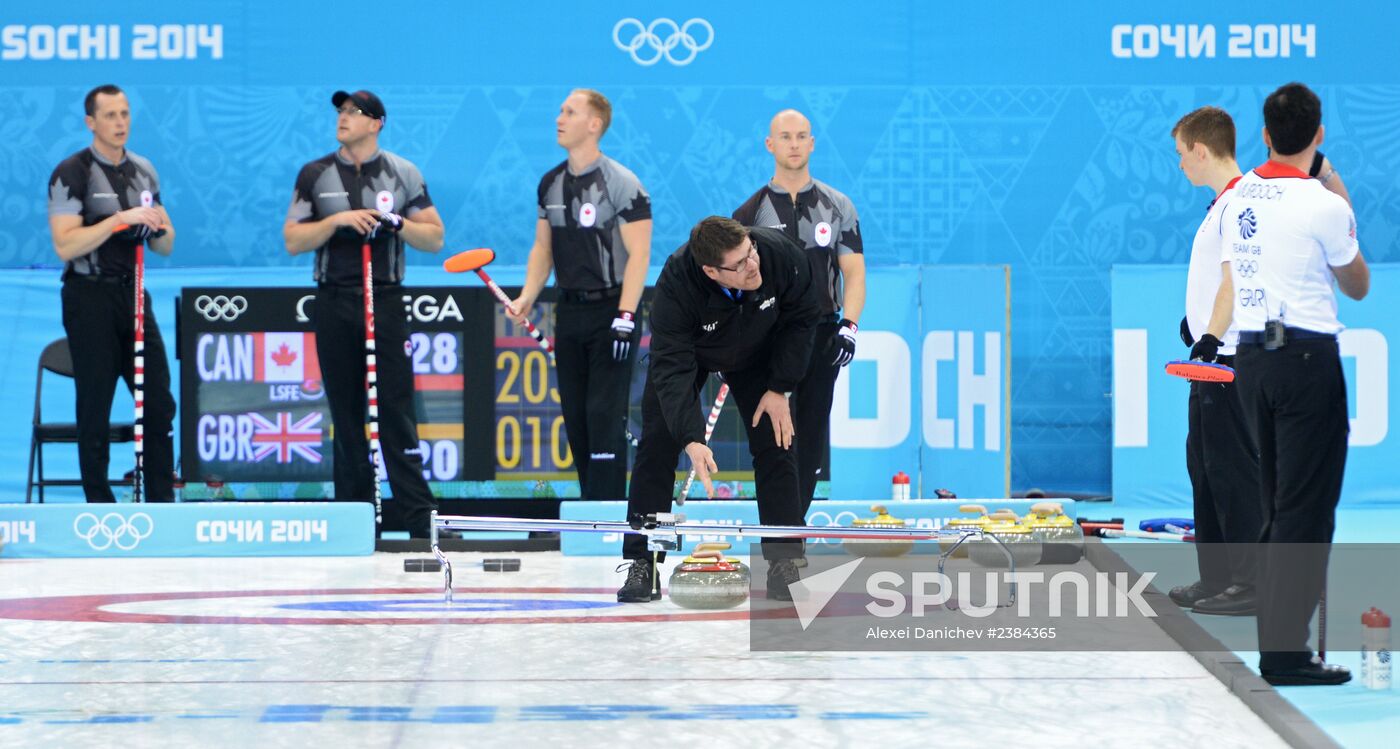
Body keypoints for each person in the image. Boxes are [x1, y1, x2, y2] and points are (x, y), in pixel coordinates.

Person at [1220, 82, 1369, 686]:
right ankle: (1285, 655)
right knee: (1305, 510)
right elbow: (1357, 284)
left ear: (1263, 133)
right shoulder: (1324, 204)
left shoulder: (1239, 196)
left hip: (1253, 360)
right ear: (1320, 135)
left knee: (1277, 503)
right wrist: (1335, 185)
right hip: (1306, 361)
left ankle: (1277, 643)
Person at [616, 217, 822, 603]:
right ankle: (643, 561)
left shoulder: (778, 255)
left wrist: (780, 387)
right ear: (711, 271)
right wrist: (692, 440)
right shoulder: (677, 286)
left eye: (751, 253)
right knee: (658, 444)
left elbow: (803, 317)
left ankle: (782, 562)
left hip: (757, 351)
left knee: (776, 440)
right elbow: (672, 370)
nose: (752, 265)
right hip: (692, 354)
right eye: (739, 264)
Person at [283, 90, 445, 537]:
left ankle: (418, 518)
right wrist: (337, 221)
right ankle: (353, 520)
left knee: (395, 408)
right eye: (340, 111)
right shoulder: (315, 173)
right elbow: (293, 239)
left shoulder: (401, 173)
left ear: (375, 123)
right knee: (346, 412)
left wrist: (399, 225)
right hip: (335, 299)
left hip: (386, 299)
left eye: (353, 112)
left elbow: (434, 237)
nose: (343, 118)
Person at [508, 89, 652, 501]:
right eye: (560, 111)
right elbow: (542, 249)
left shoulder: (623, 183)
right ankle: (591, 507)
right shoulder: (550, 183)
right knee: (576, 416)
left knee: (604, 414)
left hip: (612, 310)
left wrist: (626, 314)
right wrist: (527, 297)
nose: (559, 118)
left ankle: (607, 514)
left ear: (594, 124)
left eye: (569, 112)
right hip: (568, 310)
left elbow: (640, 253)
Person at [47, 84, 178, 503]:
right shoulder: (71, 172)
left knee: (158, 402)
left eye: (124, 114)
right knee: (95, 404)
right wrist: (118, 221)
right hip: (89, 296)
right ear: (91, 122)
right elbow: (65, 245)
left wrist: (156, 226)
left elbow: (167, 245)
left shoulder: (144, 170)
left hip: (134, 295)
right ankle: (99, 506)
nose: (120, 123)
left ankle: (161, 504)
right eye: (110, 116)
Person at [733, 109, 865, 516]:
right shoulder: (750, 212)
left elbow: (854, 272)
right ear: (770, 145)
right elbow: (735, 281)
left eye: (801, 136)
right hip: (770, 337)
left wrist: (850, 327)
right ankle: (782, 533)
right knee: (774, 439)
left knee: (809, 436)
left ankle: (793, 531)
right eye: (785, 136)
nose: (793, 144)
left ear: (812, 144)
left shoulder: (837, 205)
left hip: (822, 334)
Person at [1165, 106, 1262, 617]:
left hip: (1227, 360)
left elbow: (1235, 279)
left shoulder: (1240, 203)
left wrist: (1210, 334)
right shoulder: (1221, 205)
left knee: (1232, 473)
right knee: (1204, 468)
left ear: (1201, 150)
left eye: (1181, 154)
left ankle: (1250, 584)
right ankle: (1217, 578)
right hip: (1211, 357)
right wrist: (1196, 323)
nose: (1179, 164)